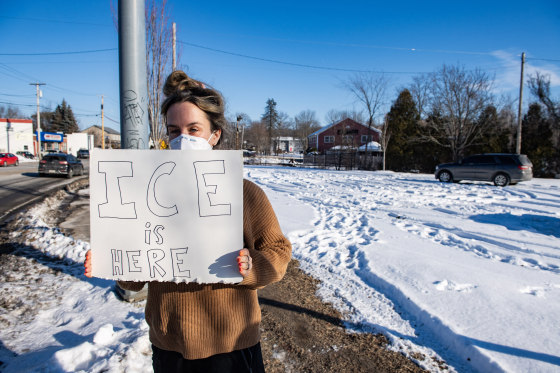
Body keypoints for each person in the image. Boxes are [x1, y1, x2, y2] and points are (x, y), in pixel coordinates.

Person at [85, 70, 292, 373]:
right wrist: (113, 260)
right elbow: (135, 277)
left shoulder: (244, 193)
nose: (183, 139)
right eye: (173, 131)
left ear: (215, 134)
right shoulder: (146, 195)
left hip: (230, 344)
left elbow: (279, 252)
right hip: (170, 345)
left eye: (194, 129)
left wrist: (252, 265)